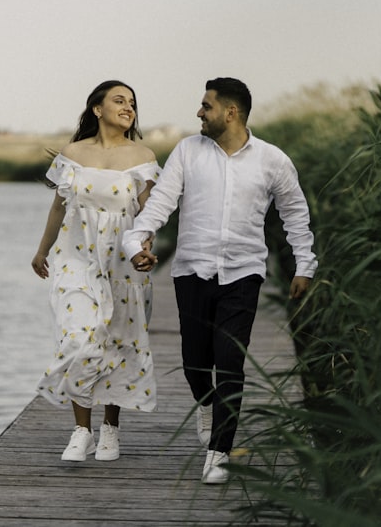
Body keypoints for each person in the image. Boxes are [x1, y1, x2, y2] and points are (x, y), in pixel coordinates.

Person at [123, 77, 316, 484]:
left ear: (231, 112)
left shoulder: (272, 160)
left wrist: (304, 265)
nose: (199, 112)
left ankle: (219, 452)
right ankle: (207, 406)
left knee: (230, 362)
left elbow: (295, 213)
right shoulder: (187, 152)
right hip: (191, 270)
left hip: (243, 273)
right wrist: (136, 239)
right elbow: (161, 203)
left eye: (205, 106)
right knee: (195, 364)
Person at [31, 80, 160, 462]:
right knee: (78, 340)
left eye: (133, 103)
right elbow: (58, 206)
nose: (128, 108)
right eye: (119, 101)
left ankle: (110, 430)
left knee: (117, 341)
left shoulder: (142, 155)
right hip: (77, 258)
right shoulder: (73, 153)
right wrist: (42, 251)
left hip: (123, 262)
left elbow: (149, 212)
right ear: (97, 109)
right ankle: (80, 430)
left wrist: (145, 249)